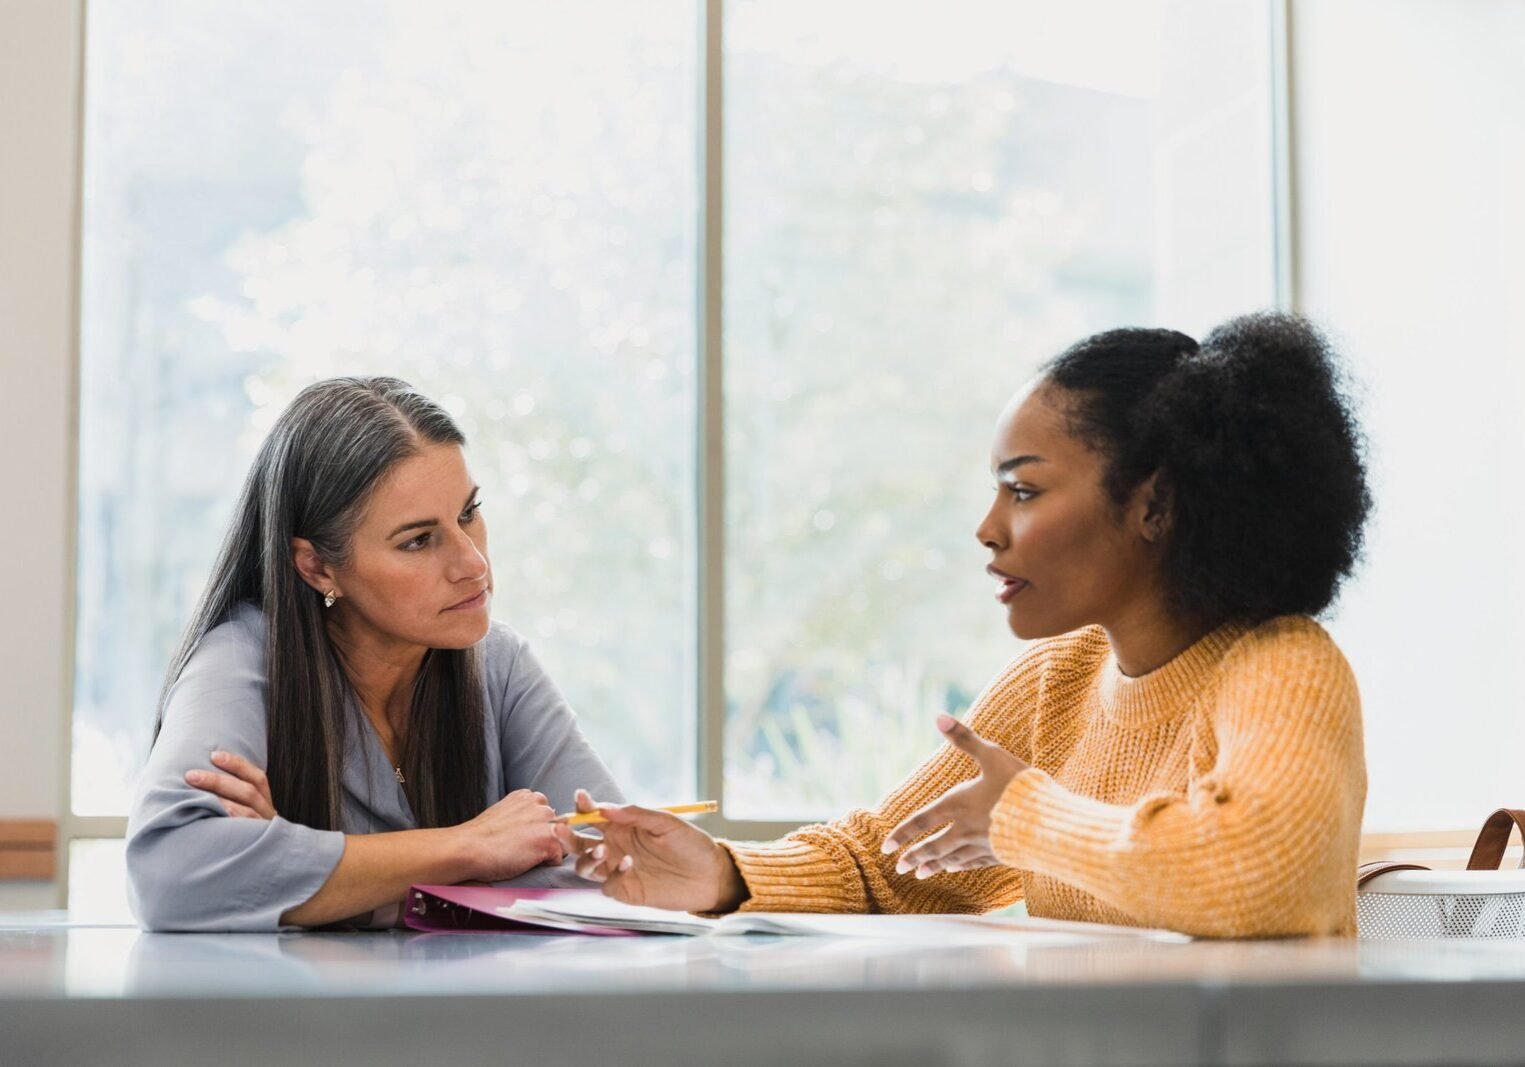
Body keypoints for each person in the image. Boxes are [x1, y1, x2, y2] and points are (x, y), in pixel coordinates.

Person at [563, 311, 1372, 938]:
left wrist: (1022, 816)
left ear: (1153, 502)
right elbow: (891, 864)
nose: (987, 528)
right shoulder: (1057, 682)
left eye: (1023, 491)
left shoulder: (1282, 664)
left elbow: (1260, 874)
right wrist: (724, 873)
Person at [126, 377, 621, 931]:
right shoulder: (241, 660)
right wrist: (468, 848)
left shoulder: (498, 663)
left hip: (470, 1016)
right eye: (417, 540)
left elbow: (612, 868)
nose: (473, 564)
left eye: (468, 513)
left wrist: (303, 874)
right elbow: (170, 875)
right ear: (316, 566)